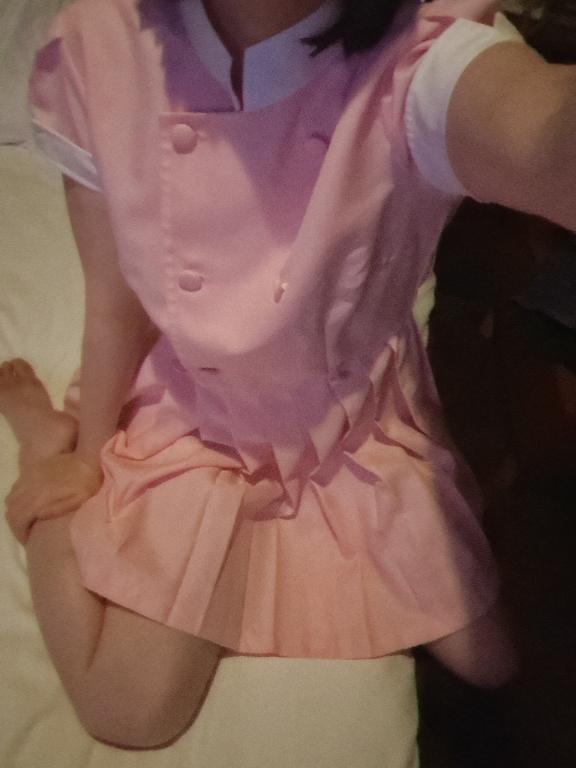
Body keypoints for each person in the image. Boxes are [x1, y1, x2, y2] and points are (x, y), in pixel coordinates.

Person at [2, 0, 573, 751]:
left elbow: (539, 128)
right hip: (202, 416)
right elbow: (114, 308)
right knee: (129, 710)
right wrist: (80, 461)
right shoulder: (101, 42)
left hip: (348, 419)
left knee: (493, 662)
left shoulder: (420, 55)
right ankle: (39, 445)